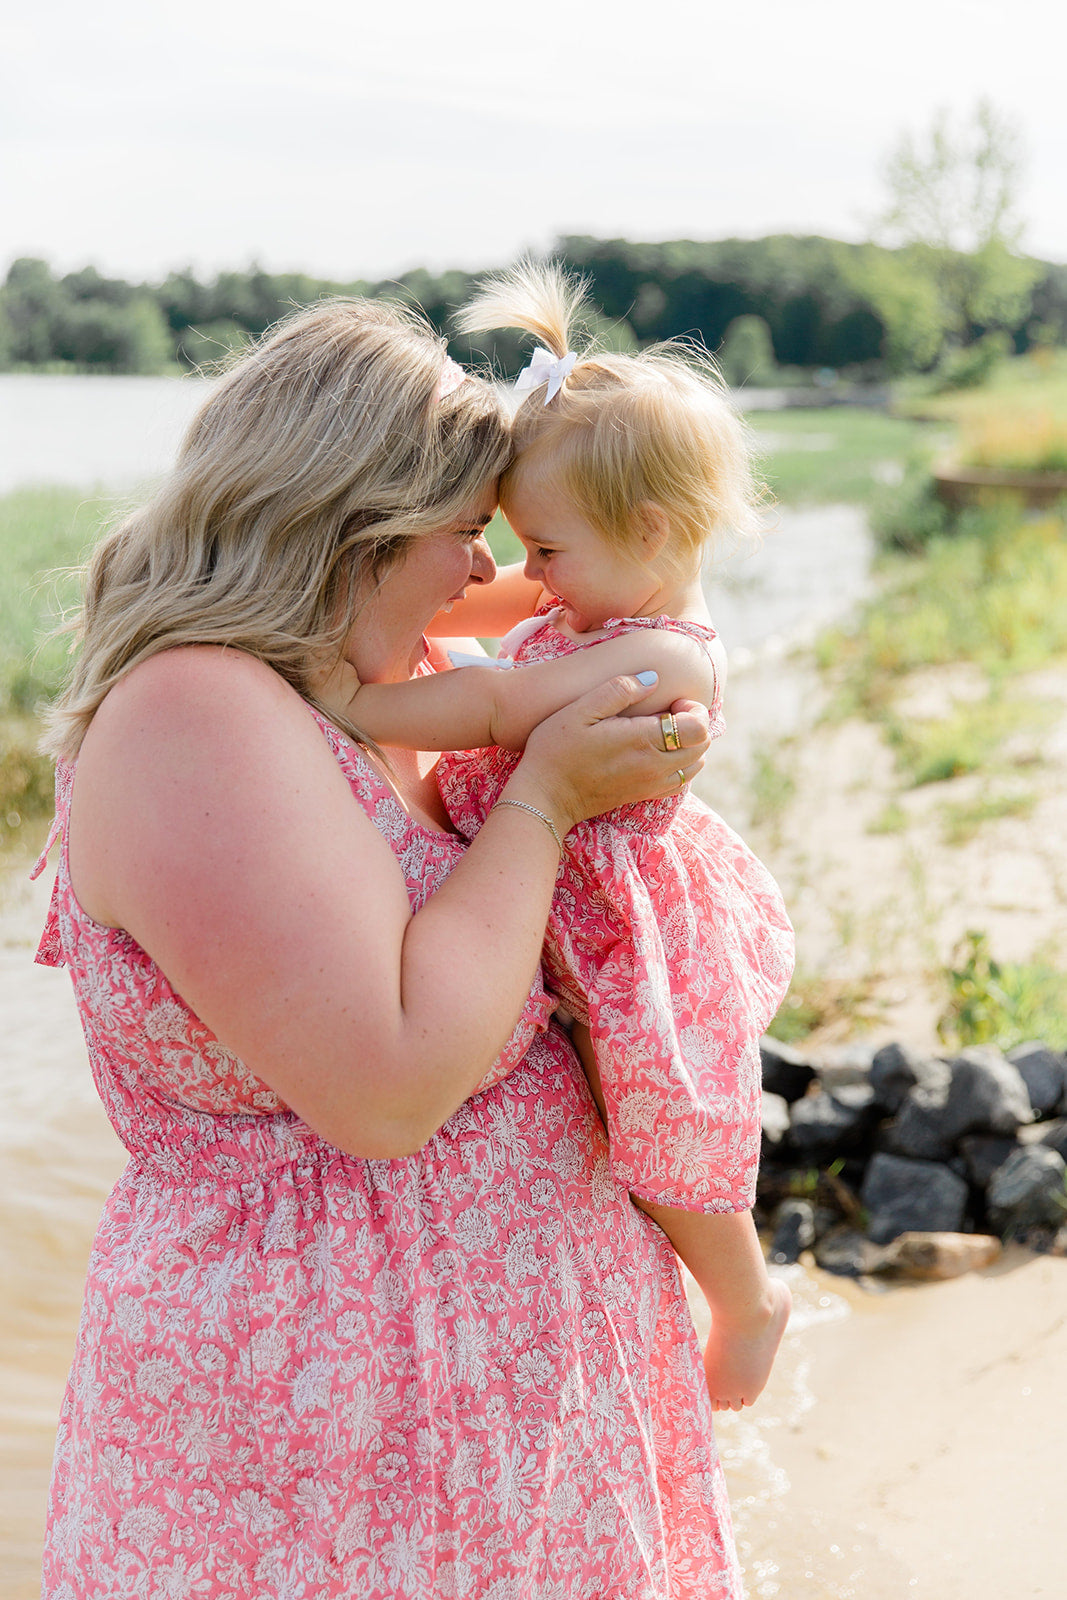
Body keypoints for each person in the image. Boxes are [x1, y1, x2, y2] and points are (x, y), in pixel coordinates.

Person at [32, 295, 744, 1598]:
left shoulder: (392, 671)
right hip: (323, 1447)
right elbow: (389, 1087)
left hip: (534, 1410)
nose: (481, 573)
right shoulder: (195, 711)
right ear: (354, 526)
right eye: (462, 532)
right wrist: (544, 801)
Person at [327, 263, 796, 1416]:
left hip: (627, 921)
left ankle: (743, 1297)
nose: (523, 573)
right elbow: (457, 604)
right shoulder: (596, 592)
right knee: (599, 1112)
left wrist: (350, 705)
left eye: (543, 549)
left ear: (648, 530)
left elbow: (495, 705)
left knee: (662, 1122)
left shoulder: (659, 655)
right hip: (567, 906)